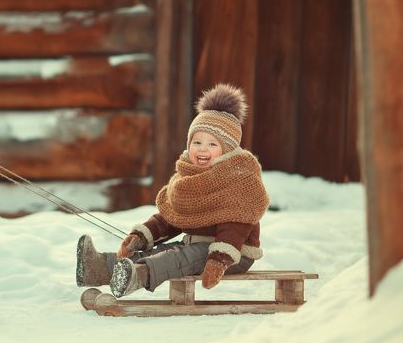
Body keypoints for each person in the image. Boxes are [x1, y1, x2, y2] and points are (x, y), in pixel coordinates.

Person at [76, 83, 269, 298]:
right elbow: (172, 216)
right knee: (161, 253)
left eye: (212, 144)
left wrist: (219, 259)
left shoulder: (238, 178)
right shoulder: (189, 178)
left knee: (178, 258)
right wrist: (142, 235)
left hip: (233, 253)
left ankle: (138, 276)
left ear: (228, 150)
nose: (202, 148)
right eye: (197, 142)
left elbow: (236, 225)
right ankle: (98, 268)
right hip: (197, 246)